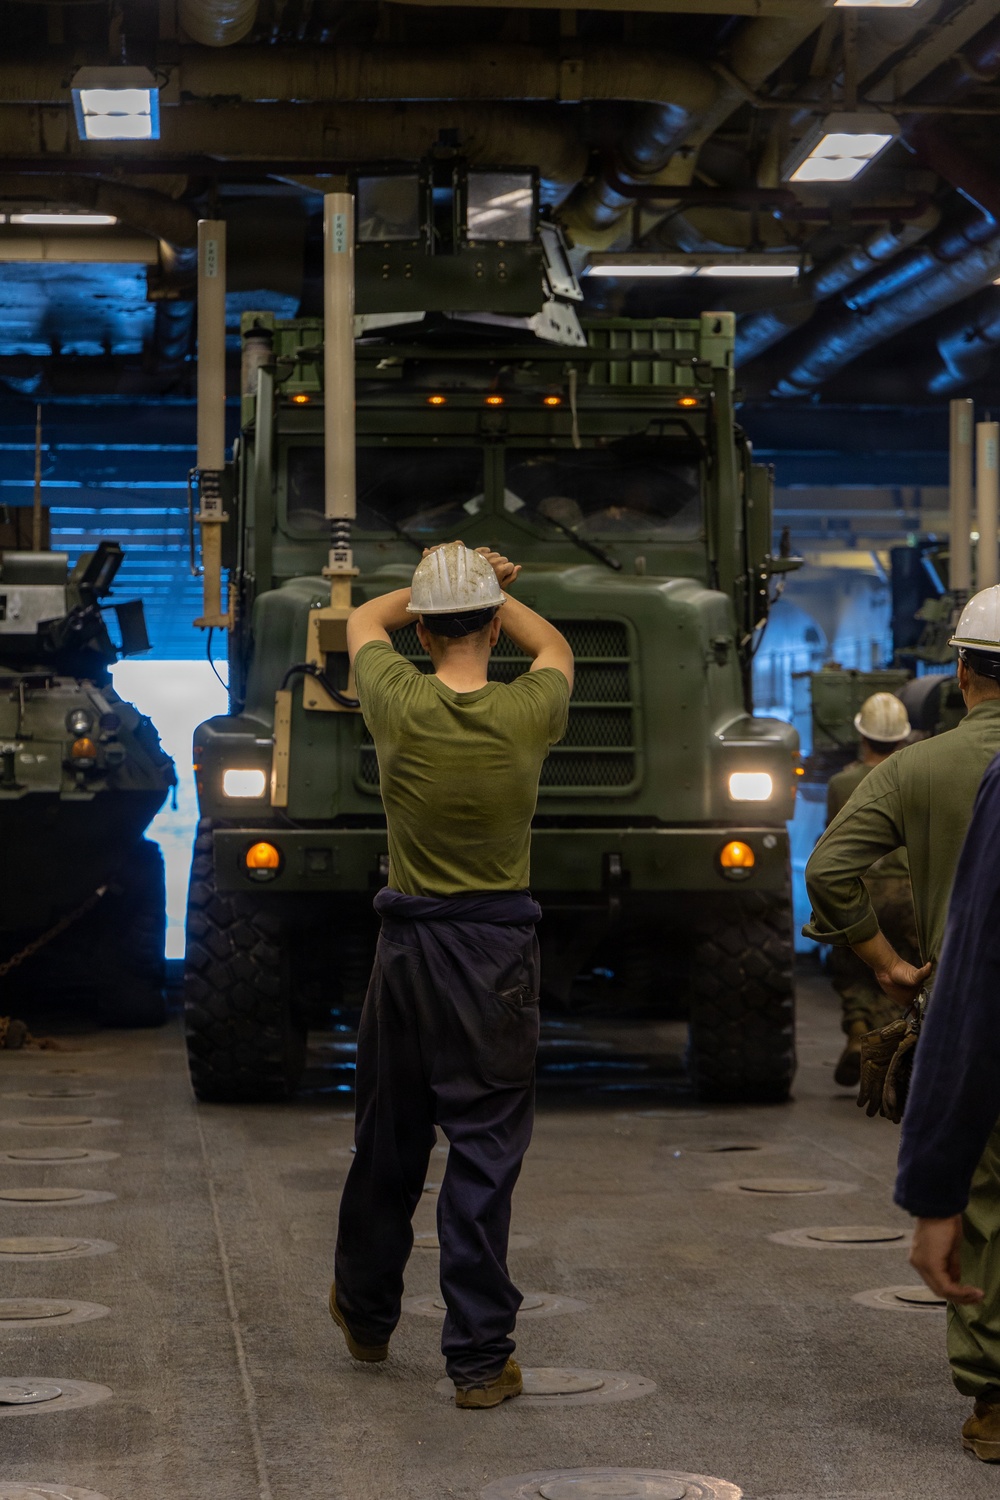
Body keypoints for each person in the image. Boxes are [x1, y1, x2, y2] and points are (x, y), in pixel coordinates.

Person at [329, 541, 573, 1411]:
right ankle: (477, 1363)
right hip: (496, 954)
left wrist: (439, 589)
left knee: (389, 1142)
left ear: (425, 633)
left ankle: (365, 1314)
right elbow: (556, 650)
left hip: (407, 951)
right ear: (494, 632)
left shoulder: (395, 701)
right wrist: (501, 592)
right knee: (483, 1155)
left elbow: (363, 620)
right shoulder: (530, 708)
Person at [804, 585, 1000, 1053]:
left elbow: (827, 871)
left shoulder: (912, 768)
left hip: (965, 1018)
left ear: (961, 673)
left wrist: (888, 965)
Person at [823, 693, 919, 1086]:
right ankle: (893, 1046)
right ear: (902, 739)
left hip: (859, 893)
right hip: (907, 893)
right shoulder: (915, 776)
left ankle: (859, 1031)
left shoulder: (841, 782)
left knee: (854, 970)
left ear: (862, 737)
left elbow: (832, 846)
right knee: (905, 973)